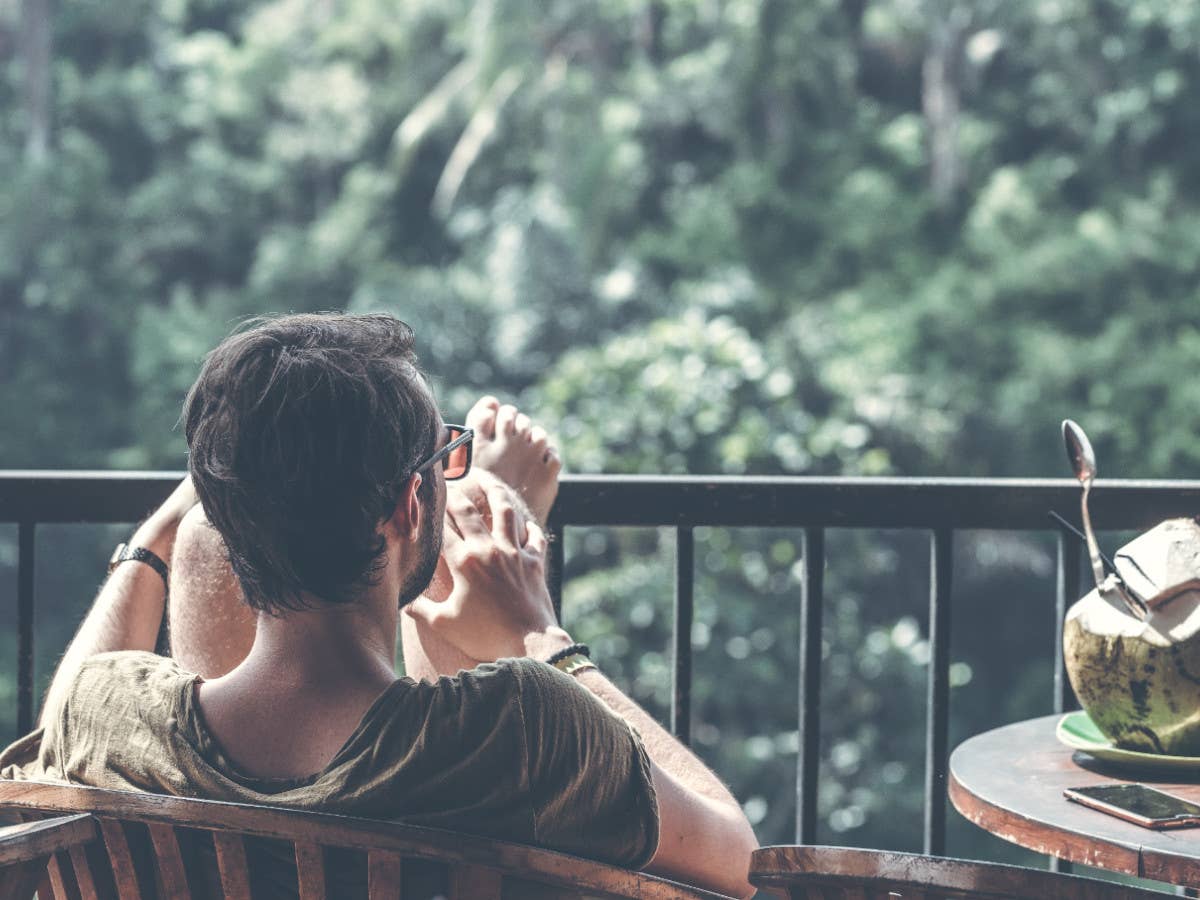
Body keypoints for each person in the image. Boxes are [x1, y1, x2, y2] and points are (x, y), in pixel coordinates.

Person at [0, 313, 757, 898]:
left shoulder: (104, 718)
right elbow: (742, 861)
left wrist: (153, 541)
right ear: (405, 506)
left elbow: (53, 734)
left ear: (224, 513)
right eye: (442, 461)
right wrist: (542, 634)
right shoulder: (527, 730)